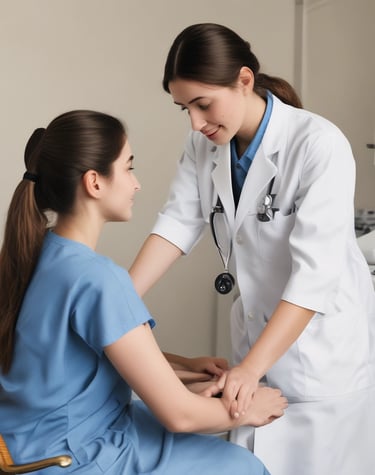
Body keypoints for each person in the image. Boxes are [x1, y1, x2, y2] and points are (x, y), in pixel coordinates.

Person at [128, 23, 375, 475]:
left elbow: (314, 275)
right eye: (184, 108)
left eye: (203, 105)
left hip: (321, 355)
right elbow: (177, 225)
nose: (195, 123)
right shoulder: (204, 146)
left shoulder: (318, 144)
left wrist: (249, 369)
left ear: (244, 80)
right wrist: (118, 302)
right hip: (255, 346)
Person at [0, 110, 288, 475]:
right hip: (77, 456)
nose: (136, 184)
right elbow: (180, 416)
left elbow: (70, 361)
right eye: (128, 168)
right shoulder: (98, 278)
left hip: (25, 448)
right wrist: (250, 408)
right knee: (241, 466)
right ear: (95, 182)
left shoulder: (33, 254)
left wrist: (183, 368)